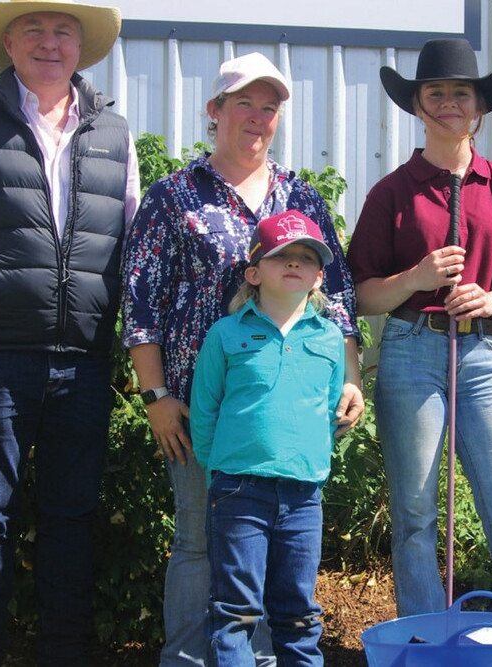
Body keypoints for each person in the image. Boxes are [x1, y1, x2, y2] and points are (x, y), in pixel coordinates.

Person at [121, 52, 363, 666]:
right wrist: (155, 398)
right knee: (200, 541)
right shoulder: (174, 196)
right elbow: (140, 300)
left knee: (275, 554)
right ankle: (186, 659)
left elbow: (336, 296)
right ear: (215, 111)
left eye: (270, 107)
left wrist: (351, 376)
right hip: (198, 406)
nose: (257, 117)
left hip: (286, 414)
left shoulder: (300, 194)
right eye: (244, 104)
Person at [0, 0, 139, 663]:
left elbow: (129, 242)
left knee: (70, 519)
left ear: (80, 47)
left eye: (63, 31)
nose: (49, 43)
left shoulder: (116, 133)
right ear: (8, 42)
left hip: (83, 359)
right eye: (34, 29)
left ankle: (63, 653)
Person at [346, 37, 492, 619]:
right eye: (434, 93)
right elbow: (362, 296)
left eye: (460, 93)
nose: (448, 103)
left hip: (486, 357)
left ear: (479, 108)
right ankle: (423, 637)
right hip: (411, 352)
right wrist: (417, 276)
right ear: (418, 107)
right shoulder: (391, 192)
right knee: (416, 514)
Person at [190, 210, 344, 667]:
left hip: (303, 497)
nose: (294, 264)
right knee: (235, 613)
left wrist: (308, 461)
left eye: (306, 258)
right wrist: (219, 469)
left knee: (298, 613)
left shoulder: (331, 338)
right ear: (254, 273)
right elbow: (204, 411)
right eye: (282, 257)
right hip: (239, 492)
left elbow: (329, 410)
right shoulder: (225, 334)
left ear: (318, 277)